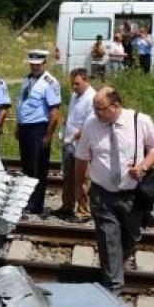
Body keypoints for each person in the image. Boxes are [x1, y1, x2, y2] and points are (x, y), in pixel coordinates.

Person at [74, 88, 154, 293]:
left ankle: (114, 268)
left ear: (115, 106)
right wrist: (78, 188)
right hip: (102, 193)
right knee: (108, 239)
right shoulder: (91, 125)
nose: (96, 114)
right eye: (94, 109)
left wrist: (143, 166)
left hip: (132, 194)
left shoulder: (139, 121)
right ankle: (113, 286)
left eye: (100, 109)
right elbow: (81, 158)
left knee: (132, 237)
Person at [15, 50, 62, 216]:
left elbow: (54, 112)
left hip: (39, 128)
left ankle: (36, 204)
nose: (34, 67)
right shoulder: (27, 79)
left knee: (38, 169)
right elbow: (22, 104)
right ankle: (28, 200)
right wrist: (18, 126)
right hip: (25, 127)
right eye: (32, 64)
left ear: (44, 63)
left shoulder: (50, 82)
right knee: (27, 168)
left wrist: (48, 135)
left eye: (38, 64)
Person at [54, 68, 95, 222]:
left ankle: (84, 210)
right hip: (70, 141)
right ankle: (67, 206)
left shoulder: (92, 98)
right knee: (69, 176)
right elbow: (72, 115)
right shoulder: (75, 96)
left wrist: (80, 134)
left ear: (86, 80)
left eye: (77, 84)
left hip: (82, 144)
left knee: (83, 178)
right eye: (72, 84)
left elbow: (91, 122)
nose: (74, 87)